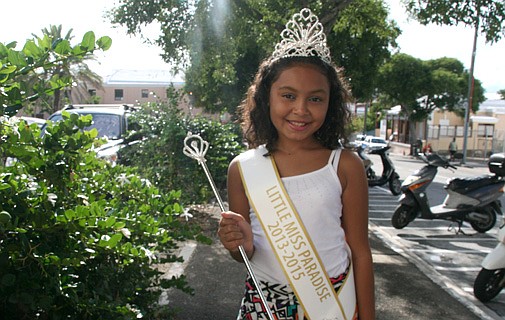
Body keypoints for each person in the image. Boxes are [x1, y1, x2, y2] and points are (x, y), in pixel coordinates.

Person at [218, 8, 375, 320]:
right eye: (288, 96)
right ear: (266, 97)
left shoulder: (344, 165)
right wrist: (237, 244)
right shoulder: (243, 168)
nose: (301, 110)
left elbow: (360, 250)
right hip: (264, 302)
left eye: (315, 99)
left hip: (333, 300)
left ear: (330, 105)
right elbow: (243, 256)